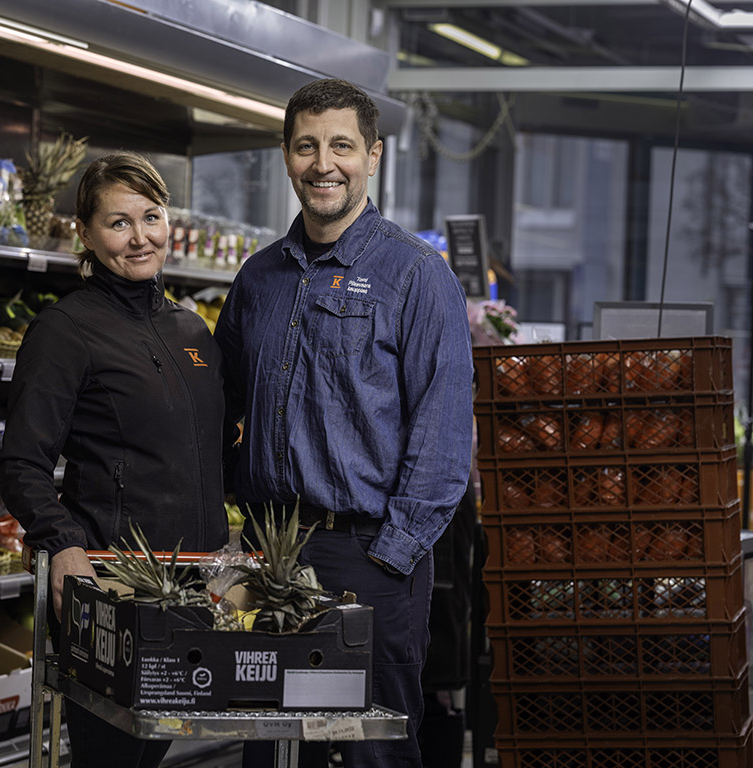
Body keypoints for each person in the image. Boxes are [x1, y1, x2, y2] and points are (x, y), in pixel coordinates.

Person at [214, 79, 474, 768]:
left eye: (341, 146)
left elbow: (444, 435)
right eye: (306, 146)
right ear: (286, 155)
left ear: (373, 156)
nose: (323, 163)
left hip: (369, 557)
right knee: (269, 743)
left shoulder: (416, 274)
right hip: (271, 553)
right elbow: (227, 403)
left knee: (370, 752)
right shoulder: (259, 278)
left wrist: (390, 557)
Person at [0, 151, 228, 768]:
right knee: (113, 755)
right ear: (87, 235)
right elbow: (20, 461)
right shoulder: (65, 330)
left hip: (194, 580)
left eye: (151, 217)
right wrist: (61, 540)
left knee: (153, 751)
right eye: (118, 223)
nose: (140, 237)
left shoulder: (191, 330)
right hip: (112, 583)